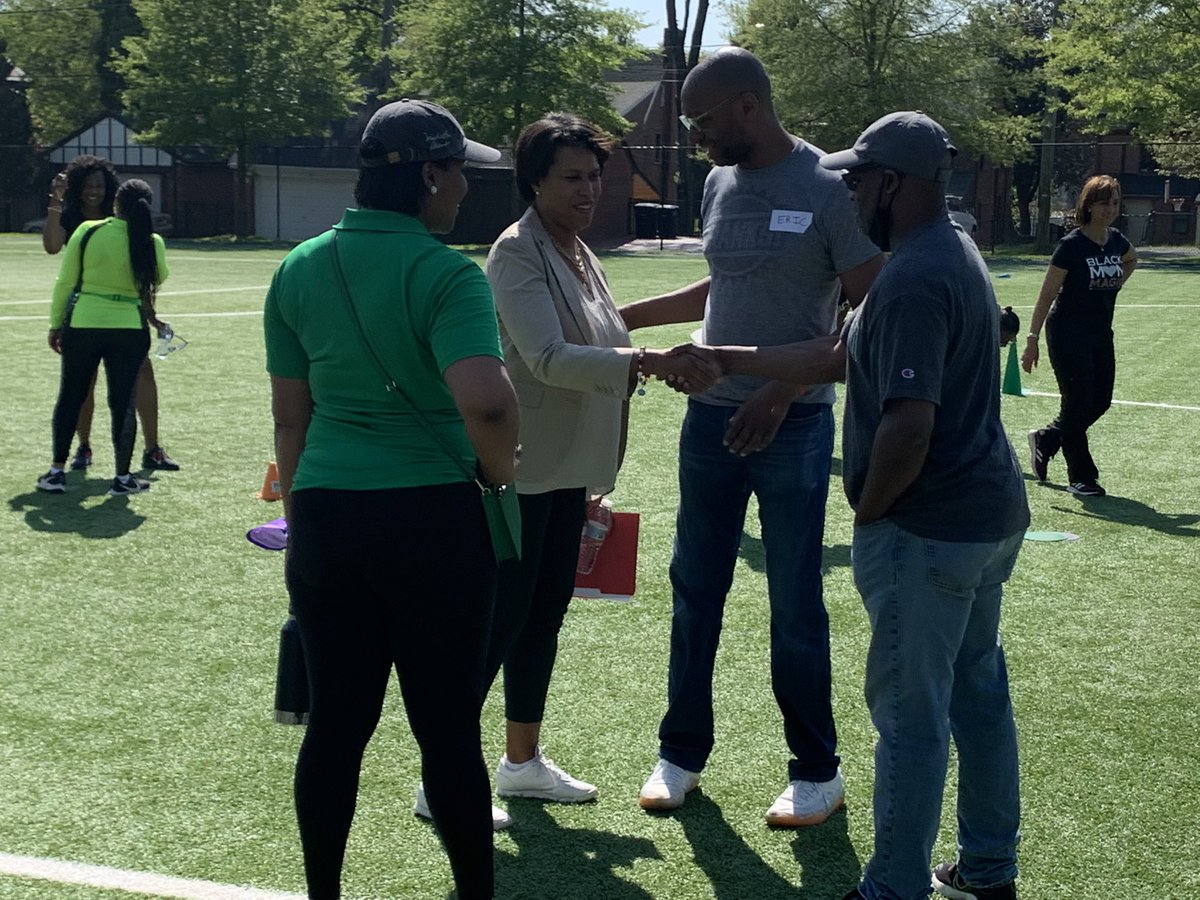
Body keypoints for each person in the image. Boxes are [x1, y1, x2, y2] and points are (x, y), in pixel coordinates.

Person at [703, 110, 1030, 900]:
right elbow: (838, 356)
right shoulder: (944, 252)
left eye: (857, 177)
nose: (845, 189)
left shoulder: (914, 276)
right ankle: (987, 869)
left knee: (911, 722)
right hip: (985, 517)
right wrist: (721, 356)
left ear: (893, 183)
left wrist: (869, 509)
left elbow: (908, 425)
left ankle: (892, 889)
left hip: (931, 525)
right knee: (979, 695)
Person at [617, 47, 885, 823]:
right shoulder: (719, 182)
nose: (696, 137)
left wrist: (782, 390)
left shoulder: (830, 189)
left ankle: (816, 769)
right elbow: (723, 281)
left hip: (794, 428)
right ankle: (680, 754)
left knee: (795, 600)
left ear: (747, 106)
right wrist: (627, 318)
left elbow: (865, 314)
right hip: (706, 421)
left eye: (703, 121)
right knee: (694, 589)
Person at [265, 99, 519, 900]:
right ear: (430, 174)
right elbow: (487, 401)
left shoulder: (298, 266)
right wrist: (498, 473)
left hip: (330, 516)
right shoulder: (446, 273)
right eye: (461, 176)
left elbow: (289, 417)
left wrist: (305, 525)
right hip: (432, 519)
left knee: (336, 727)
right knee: (446, 732)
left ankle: (323, 895)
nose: (467, 193)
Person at [466, 112, 720, 820]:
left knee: (541, 617)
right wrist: (645, 362)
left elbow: (608, 329)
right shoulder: (516, 252)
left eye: (594, 176)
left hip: (567, 467)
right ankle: (443, 771)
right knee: (502, 620)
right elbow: (546, 357)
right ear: (534, 182)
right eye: (572, 177)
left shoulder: (577, 251)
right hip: (523, 467)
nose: (588, 189)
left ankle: (520, 763)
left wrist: (699, 304)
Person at [43, 155, 179, 473]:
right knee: (83, 383)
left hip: (125, 312)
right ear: (77, 188)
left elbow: (141, 272)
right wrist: (55, 200)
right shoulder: (75, 220)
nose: (94, 191)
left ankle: (152, 448)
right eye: (88, 185)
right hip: (85, 310)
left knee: (141, 375)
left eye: (100, 186)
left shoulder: (123, 215)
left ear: (112, 193)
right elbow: (51, 247)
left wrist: (150, 313)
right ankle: (83, 447)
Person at [1022, 175, 1137, 497]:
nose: (1110, 209)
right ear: (1088, 205)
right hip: (1067, 332)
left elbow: (1131, 259)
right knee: (1078, 402)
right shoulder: (1071, 246)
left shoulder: (1115, 240)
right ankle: (1081, 477)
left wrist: (1115, 283)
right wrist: (1031, 340)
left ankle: (1048, 438)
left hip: (1100, 332)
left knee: (1100, 401)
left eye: (1114, 202)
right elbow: (1046, 296)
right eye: (1104, 203)